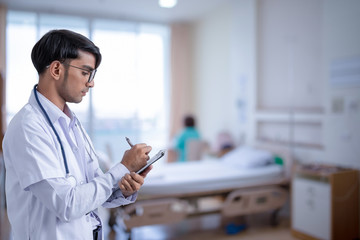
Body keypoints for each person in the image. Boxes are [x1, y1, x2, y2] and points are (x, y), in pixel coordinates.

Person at [2, 29, 153, 240]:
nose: (91, 82)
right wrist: (123, 168)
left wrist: (122, 188)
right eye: (85, 72)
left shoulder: (72, 124)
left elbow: (93, 188)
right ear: (56, 69)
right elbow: (67, 204)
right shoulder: (28, 127)